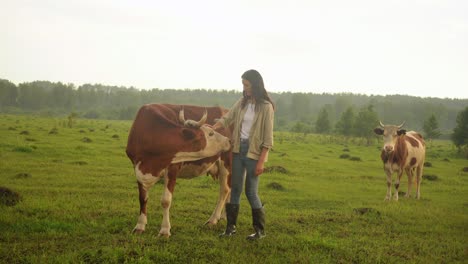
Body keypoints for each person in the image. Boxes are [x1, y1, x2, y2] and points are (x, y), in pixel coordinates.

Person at [213, 69, 275, 240]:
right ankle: (230, 228)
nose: (244, 88)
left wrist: (261, 162)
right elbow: (227, 118)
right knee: (235, 190)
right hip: (238, 150)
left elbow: (268, 139)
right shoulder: (242, 102)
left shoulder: (266, 107)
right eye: (243, 84)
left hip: (254, 154)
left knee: (251, 192)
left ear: (255, 85)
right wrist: (213, 128)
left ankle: (260, 231)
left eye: (246, 85)